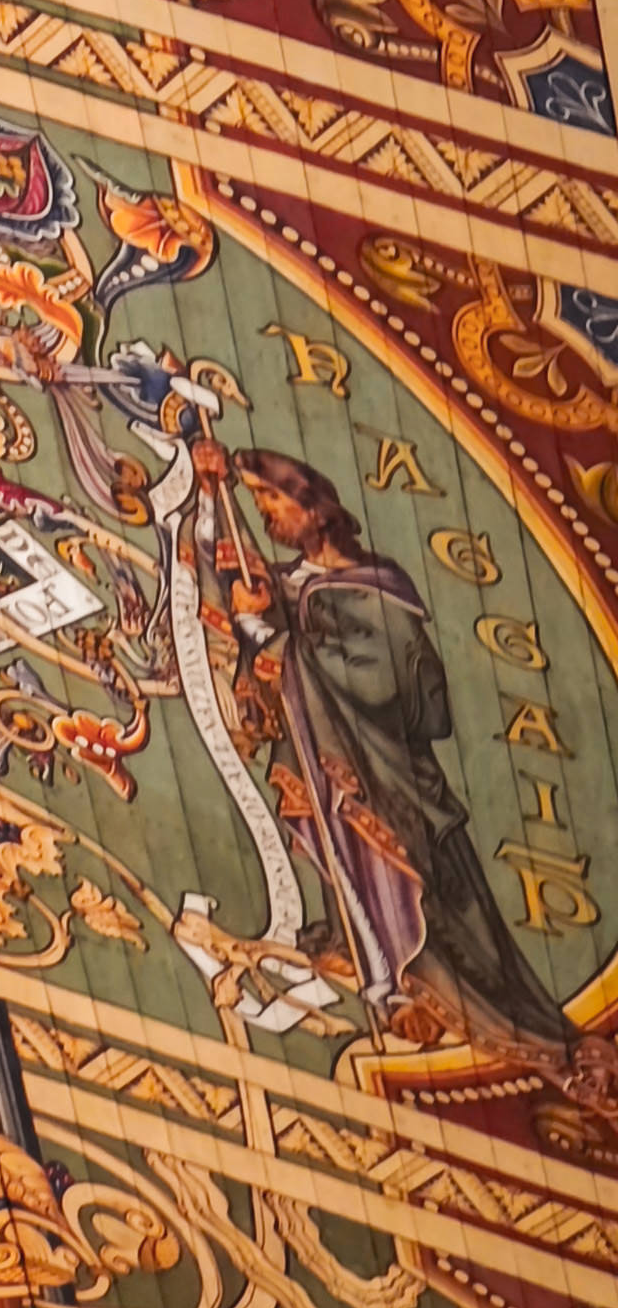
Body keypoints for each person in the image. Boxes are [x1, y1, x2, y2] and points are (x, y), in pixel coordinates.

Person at [210, 448, 575, 1053]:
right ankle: (369, 962)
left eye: (272, 498)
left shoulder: (375, 592)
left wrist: (263, 633)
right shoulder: (294, 581)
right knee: (344, 864)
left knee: (394, 875)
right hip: (331, 765)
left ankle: (413, 985)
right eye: (258, 501)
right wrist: (210, 487)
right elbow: (245, 577)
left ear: (315, 509)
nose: (265, 513)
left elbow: (380, 682)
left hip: (383, 777)